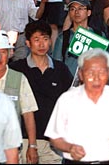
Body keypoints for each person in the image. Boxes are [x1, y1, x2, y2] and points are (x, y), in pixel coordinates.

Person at [44, 49, 109, 164]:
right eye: (90, 72)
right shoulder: (67, 99)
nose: (96, 78)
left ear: (108, 73)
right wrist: (70, 148)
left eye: (101, 72)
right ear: (81, 74)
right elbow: (54, 137)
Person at [10, 20, 73, 164]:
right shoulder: (16, 69)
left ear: (51, 42)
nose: (41, 44)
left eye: (45, 39)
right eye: (36, 40)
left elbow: (71, 100)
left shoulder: (60, 69)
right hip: (22, 140)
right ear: (27, 43)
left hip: (52, 141)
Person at [0, 30, 39, 165]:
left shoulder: (18, 79)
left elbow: (28, 113)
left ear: (10, 54)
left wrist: (32, 146)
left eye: (3, 52)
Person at [53, 0, 98, 77]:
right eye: (72, 9)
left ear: (89, 12)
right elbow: (56, 66)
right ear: (69, 13)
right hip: (69, 86)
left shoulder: (98, 35)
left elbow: (105, 64)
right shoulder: (63, 38)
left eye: (81, 8)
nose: (76, 12)